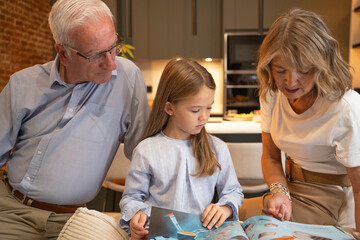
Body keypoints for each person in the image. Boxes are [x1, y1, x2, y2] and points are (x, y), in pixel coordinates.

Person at [0, 0, 149, 239]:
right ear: (63, 53)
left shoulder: (127, 78)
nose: (111, 63)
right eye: (96, 55)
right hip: (10, 209)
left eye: (113, 47)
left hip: (74, 220)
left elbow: (146, 155)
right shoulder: (22, 84)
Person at [257, 8, 360, 239]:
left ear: (322, 64)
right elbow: (271, 157)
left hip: (339, 196)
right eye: (280, 70)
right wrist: (280, 193)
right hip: (294, 191)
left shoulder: (346, 108)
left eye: (303, 71)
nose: (290, 82)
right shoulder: (271, 94)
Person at [119, 58, 244, 239]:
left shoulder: (217, 148)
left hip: (202, 234)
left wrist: (224, 208)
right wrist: (136, 216)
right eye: (195, 110)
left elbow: (233, 192)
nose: (204, 117)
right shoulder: (146, 150)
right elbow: (131, 198)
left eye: (209, 108)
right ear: (169, 107)